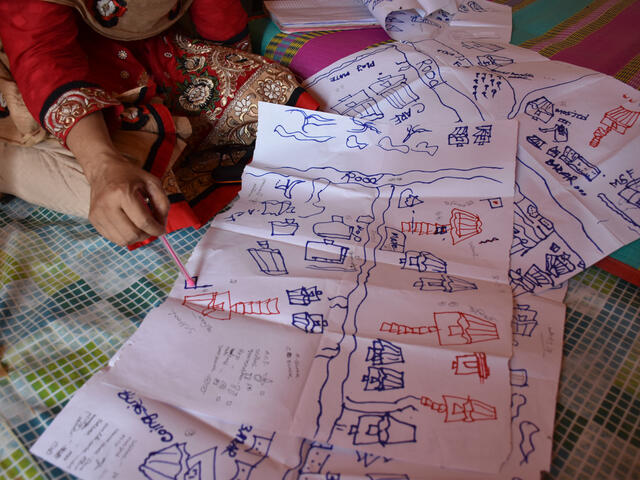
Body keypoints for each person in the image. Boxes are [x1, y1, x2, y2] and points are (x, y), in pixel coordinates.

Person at [0, 0, 318, 246]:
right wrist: (100, 164)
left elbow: (218, 17)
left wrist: (224, 63)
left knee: (267, 94)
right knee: (130, 192)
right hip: (43, 69)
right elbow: (42, 51)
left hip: (140, 50)